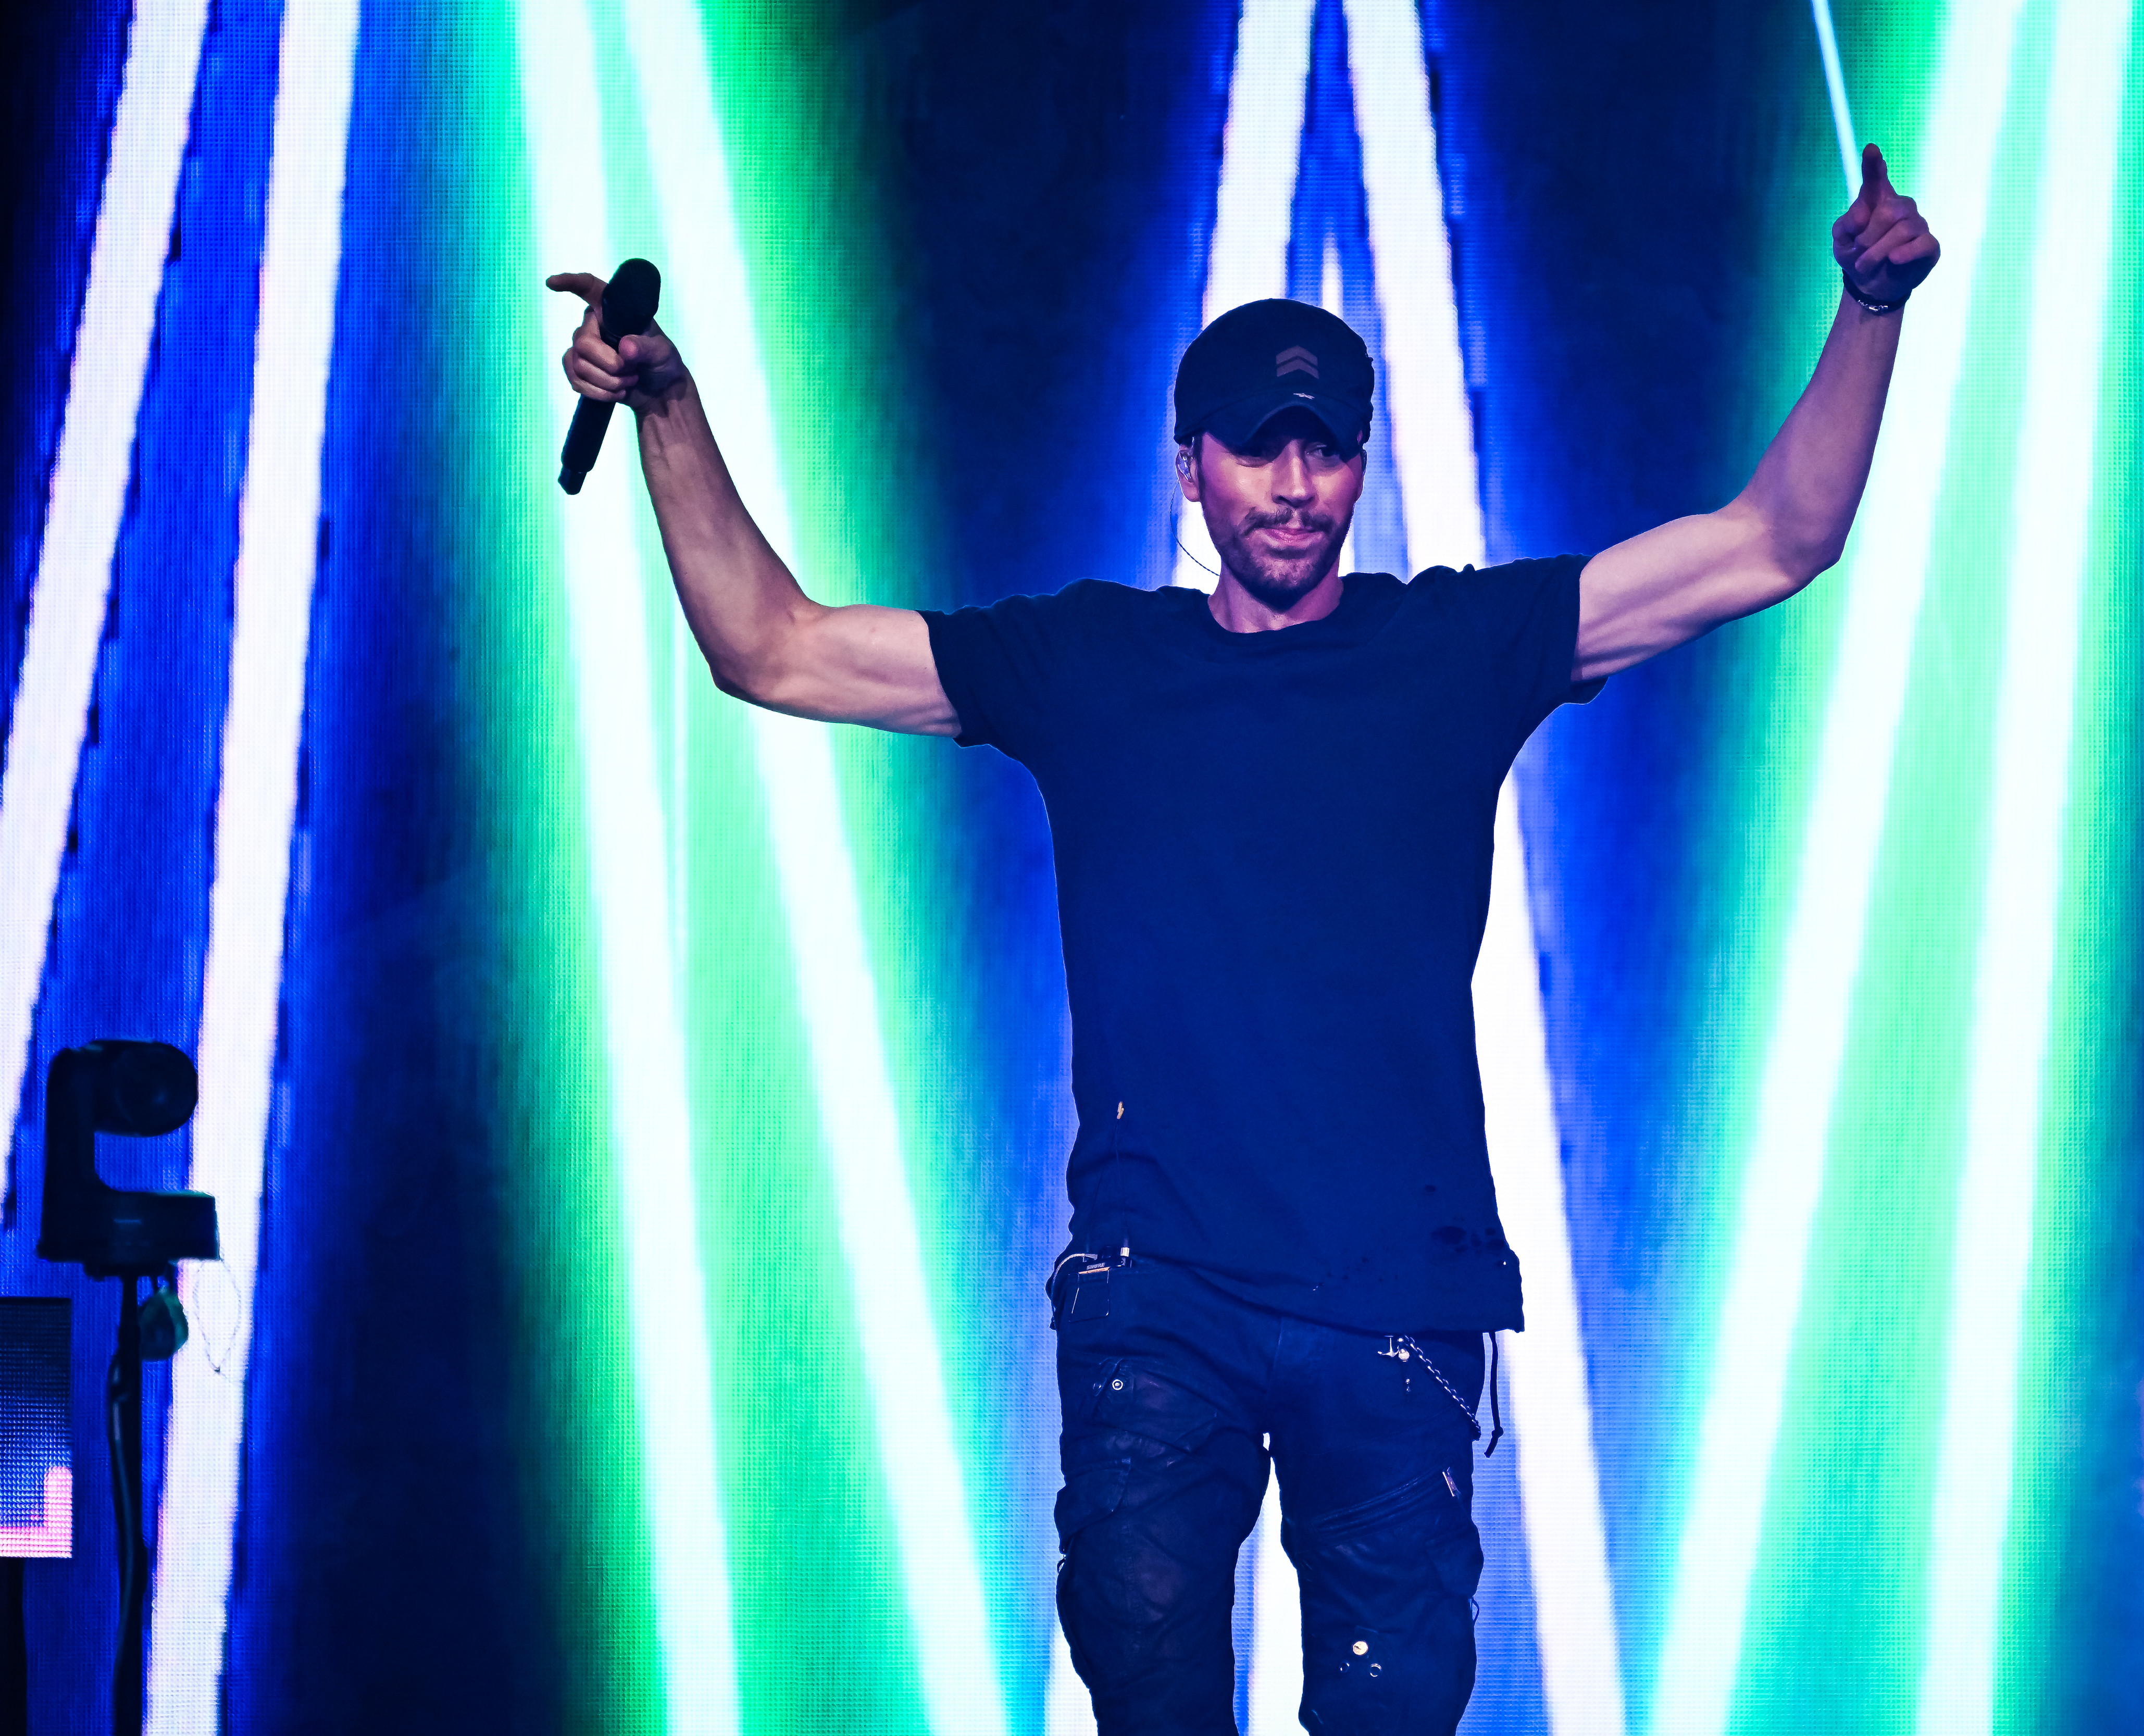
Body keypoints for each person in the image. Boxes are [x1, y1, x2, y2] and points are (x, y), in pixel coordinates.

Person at [553, 141, 1936, 1736]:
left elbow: (1776, 539)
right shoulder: (1091, 661)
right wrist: (670, 411)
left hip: (1395, 1292)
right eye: (1260, 448)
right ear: (1191, 463)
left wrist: (1869, 310)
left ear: (1361, 466)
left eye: (1326, 449)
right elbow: (773, 647)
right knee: (1144, 1662)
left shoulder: (1457, 643)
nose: (1294, 485)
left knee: (1395, 1704)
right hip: (1163, 1286)